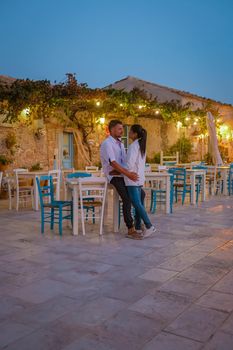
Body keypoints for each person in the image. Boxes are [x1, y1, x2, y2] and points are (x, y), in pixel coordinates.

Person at [100, 120, 142, 239]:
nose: (122, 131)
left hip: (121, 174)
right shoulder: (107, 143)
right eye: (119, 129)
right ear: (111, 129)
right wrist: (128, 174)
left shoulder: (121, 143)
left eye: (122, 128)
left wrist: (127, 172)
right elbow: (112, 163)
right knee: (127, 198)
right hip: (113, 176)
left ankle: (138, 224)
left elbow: (124, 162)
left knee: (141, 193)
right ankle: (130, 228)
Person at [124, 124, 156, 238]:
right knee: (138, 203)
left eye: (130, 131)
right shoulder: (141, 145)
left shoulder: (133, 146)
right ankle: (137, 227)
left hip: (132, 179)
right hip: (138, 178)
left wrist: (120, 168)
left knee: (136, 203)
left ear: (135, 134)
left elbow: (129, 165)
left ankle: (149, 226)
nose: (128, 133)